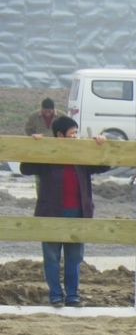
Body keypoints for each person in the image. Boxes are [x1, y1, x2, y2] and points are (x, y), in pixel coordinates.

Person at [19, 117, 108, 307]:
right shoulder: (48, 156)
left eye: (76, 133)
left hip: (78, 212)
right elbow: (25, 168)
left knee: (74, 257)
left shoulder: (81, 155)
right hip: (51, 213)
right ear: (60, 135)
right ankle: (56, 295)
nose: (76, 137)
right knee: (51, 256)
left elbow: (104, 165)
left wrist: (100, 145)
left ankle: (73, 295)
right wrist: (34, 145)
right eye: (72, 134)